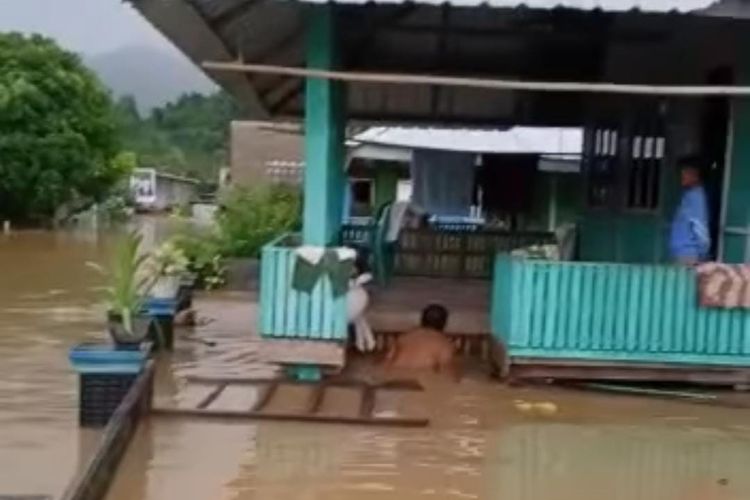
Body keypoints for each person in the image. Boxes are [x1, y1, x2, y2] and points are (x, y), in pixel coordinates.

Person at [383, 304, 459, 376]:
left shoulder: (404, 338)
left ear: (422, 320)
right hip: (420, 380)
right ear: (444, 323)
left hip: (395, 377)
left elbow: (386, 363)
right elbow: (447, 372)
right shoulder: (444, 343)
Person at [669, 156, 711, 265]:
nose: (682, 176)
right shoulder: (688, 195)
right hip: (682, 253)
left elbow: (700, 228)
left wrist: (701, 254)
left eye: (685, 172)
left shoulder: (696, 197)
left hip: (689, 256)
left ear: (695, 175)